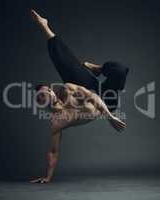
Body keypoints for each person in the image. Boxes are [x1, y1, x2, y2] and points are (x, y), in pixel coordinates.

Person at [30, 10, 127, 183]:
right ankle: (94, 70)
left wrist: (110, 117)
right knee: (119, 71)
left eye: (45, 92)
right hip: (108, 101)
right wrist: (48, 177)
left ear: (52, 91)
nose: (43, 97)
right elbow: (53, 151)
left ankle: (45, 26)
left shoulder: (68, 89)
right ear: (40, 104)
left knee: (116, 69)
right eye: (39, 98)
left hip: (95, 96)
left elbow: (93, 98)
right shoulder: (56, 122)